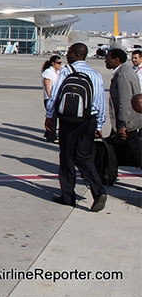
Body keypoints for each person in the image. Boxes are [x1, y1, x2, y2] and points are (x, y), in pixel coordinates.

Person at [45, 43, 107, 211]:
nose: (67, 55)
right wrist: (99, 123)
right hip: (89, 119)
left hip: (69, 121)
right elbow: (100, 101)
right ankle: (98, 191)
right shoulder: (95, 75)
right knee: (84, 157)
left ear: (75, 54)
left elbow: (55, 95)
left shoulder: (66, 71)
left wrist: (50, 116)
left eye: (69, 53)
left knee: (66, 158)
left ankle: (68, 196)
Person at [105, 48, 142, 168]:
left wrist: (122, 125)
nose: (106, 61)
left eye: (108, 58)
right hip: (129, 120)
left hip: (127, 122)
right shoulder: (128, 71)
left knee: (137, 153)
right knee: (114, 148)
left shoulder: (122, 75)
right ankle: (108, 174)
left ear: (116, 60)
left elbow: (124, 102)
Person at [41, 55, 63, 143]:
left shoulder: (57, 72)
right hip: (50, 98)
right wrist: (50, 97)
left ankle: (48, 133)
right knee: (52, 117)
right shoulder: (48, 72)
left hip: (56, 97)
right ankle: (51, 137)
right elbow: (47, 84)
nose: (60, 65)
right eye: (58, 63)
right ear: (53, 63)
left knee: (54, 116)